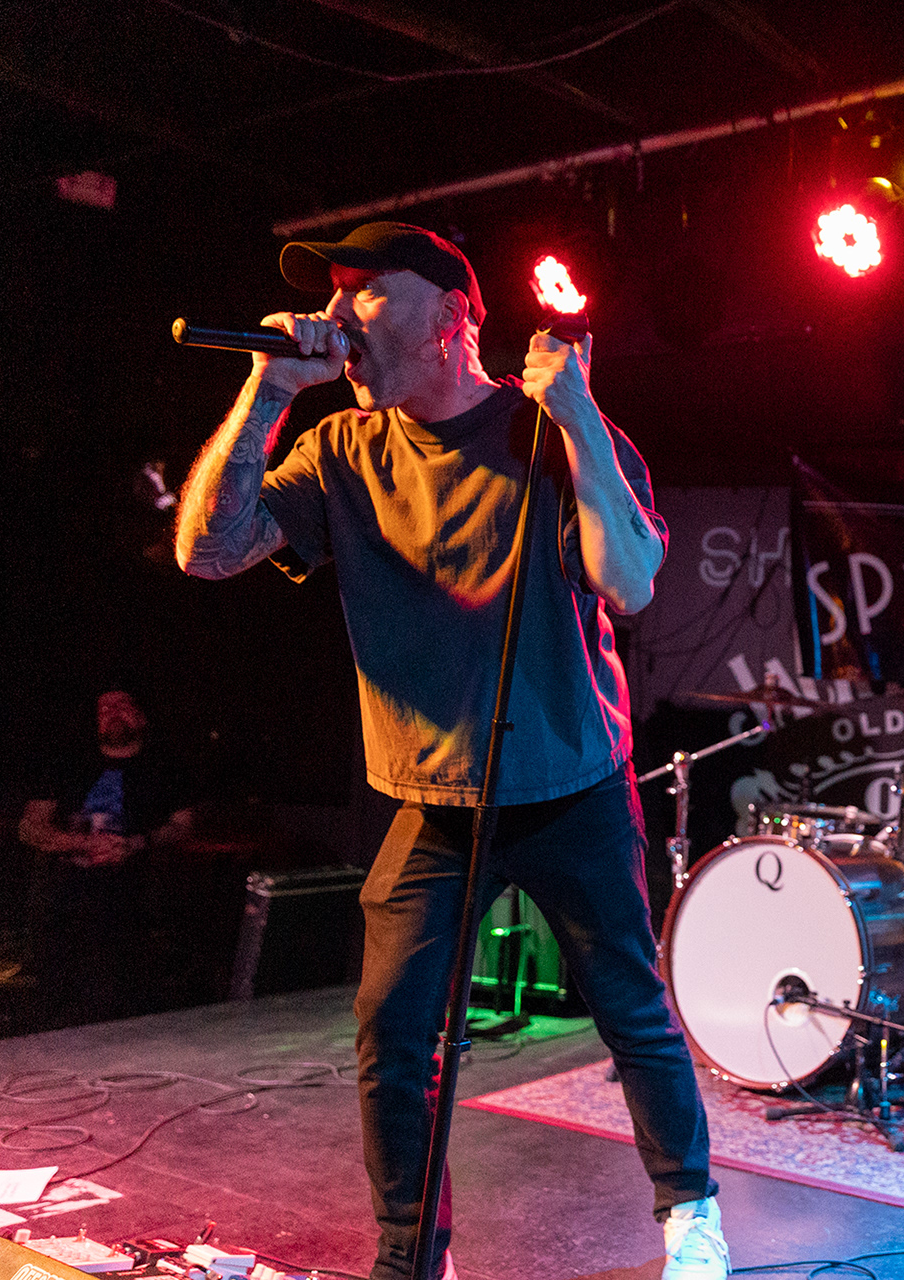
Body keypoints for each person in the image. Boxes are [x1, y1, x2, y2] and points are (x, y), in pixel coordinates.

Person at [174, 222, 726, 1280]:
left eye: (363, 291)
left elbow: (630, 582)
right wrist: (267, 392)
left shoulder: (550, 429)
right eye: (331, 296)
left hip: (569, 783)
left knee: (631, 1011)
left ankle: (692, 1218)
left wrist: (578, 417)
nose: (335, 316)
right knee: (392, 1031)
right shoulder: (343, 449)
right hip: (431, 801)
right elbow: (207, 550)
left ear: (451, 315)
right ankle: (412, 1254)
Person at [18, 686, 197, 1027]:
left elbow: (183, 827)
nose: (112, 713)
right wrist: (80, 843)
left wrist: (137, 843)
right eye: (104, 709)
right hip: (66, 894)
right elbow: (29, 827)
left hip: (135, 895)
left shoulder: (166, 769)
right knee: (54, 994)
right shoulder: (68, 764)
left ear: (141, 717)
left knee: (117, 994)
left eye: (121, 706)